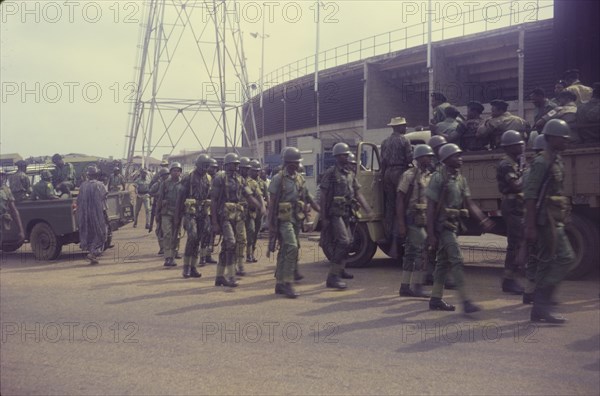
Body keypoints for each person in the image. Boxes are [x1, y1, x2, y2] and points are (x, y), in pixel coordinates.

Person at [425, 144, 495, 313]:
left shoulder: (460, 178)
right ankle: (465, 300)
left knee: (442, 262)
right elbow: (430, 207)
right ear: (446, 159)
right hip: (443, 227)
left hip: (454, 225)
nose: (460, 158)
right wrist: (431, 234)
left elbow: (469, 203)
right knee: (457, 259)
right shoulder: (438, 177)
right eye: (456, 155)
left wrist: (483, 219)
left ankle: (435, 299)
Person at [524, 119, 574, 323]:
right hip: (546, 220)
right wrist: (530, 226)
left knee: (546, 262)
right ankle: (542, 302)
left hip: (555, 217)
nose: (566, 142)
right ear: (552, 138)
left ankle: (538, 309)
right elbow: (530, 195)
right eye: (563, 138)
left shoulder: (556, 159)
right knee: (566, 258)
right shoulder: (541, 161)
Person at [319, 143, 373, 290]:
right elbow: (323, 195)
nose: (346, 157)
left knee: (348, 243)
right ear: (337, 157)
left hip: (347, 213)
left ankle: (340, 270)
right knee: (344, 241)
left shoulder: (350, 174)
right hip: (334, 214)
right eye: (344, 155)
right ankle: (332, 277)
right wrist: (323, 217)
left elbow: (358, 193)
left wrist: (367, 209)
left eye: (347, 155)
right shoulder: (331, 173)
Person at [268, 147, 319, 298]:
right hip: (283, 220)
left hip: (296, 218)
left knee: (285, 249)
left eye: (298, 163)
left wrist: (319, 210)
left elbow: (308, 197)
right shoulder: (278, 179)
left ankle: (280, 284)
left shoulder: (299, 178)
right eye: (295, 163)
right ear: (287, 163)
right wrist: (270, 224)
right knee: (291, 246)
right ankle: (288, 282)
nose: (297, 165)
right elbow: (272, 204)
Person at [211, 153, 261, 287]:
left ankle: (219, 277)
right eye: (234, 163)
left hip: (238, 216)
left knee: (228, 245)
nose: (237, 166)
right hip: (224, 216)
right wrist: (215, 222)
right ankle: (231, 276)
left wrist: (260, 207)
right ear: (227, 165)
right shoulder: (219, 178)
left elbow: (249, 195)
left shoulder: (240, 179)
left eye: (238, 164)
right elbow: (214, 201)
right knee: (232, 243)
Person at [396, 144, 435, 298]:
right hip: (412, 217)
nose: (430, 158)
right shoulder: (409, 175)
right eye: (427, 156)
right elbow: (399, 199)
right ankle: (417, 286)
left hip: (423, 218)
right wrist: (401, 223)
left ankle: (405, 286)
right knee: (421, 250)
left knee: (411, 253)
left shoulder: (429, 176)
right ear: (419, 158)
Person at [496, 130, 527, 295]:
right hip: (511, 203)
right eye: (518, 144)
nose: (522, 146)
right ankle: (508, 280)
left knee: (521, 240)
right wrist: (528, 174)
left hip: (517, 203)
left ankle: (515, 274)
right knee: (514, 243)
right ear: (509, 147)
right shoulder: (506, 164)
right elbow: (516, 185)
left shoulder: (515, 162)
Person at [179, 154, 213, 279]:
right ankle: (186, 267)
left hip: (203, 212)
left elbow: (210, 196)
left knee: (199, 239)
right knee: (192, 237)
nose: (205, 168)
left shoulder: (208, 178)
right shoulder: (189, 177)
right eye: (204, 165)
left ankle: (193, 267)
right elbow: (180, 198)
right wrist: (179, 217)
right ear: (197, 165)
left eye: (207, 166)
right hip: (190, 212)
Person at [380, 117, 413, 242]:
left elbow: (382, 161)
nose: (405, 128)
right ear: (398, 127)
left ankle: (388, 233)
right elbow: (409, 158)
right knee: (402, 203)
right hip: (400, 172)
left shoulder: (384, 142)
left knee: (390, 205)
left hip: (387, 173)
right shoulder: (405, 140)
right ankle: (402, 232)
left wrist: (383, 177)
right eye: (404, 126)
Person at [76, 166, 109, 264]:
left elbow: (78, 201)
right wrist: (105, 214)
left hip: (85, 215)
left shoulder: (82, 186)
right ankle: (93, 253)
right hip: (97, 214)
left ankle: (92, 255)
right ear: (96, 175)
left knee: (89, 234)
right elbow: (104, 200)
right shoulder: (100, 185)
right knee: (101, 234)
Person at [156, 163, 184, 267]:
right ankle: (168, 257)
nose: (176, 172)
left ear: (180, 172)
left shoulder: (183, 183)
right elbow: (160, 198)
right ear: (170, 172)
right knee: (167, 234)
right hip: (166, 212)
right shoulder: (165, 183)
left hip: (178, 213)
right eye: (174, 170)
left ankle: (174, 252)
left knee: (176, 234)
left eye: (178, 170)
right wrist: (157, 213)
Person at [0, 170, 25, 248]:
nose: (1, 178)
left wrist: (21, 230)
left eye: (2, 175)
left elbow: (14, 210)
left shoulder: (6, 190)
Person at [201, 158, 219, 265]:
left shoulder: (218, 179)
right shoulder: (204, 179)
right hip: (204, 211)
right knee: (205, 233)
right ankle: (202, 256)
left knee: (212, 234)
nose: (213, 169)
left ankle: (208, 254)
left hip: (214, 211)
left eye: (215, 167)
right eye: (212, 167)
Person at [148, 167, 170, 255]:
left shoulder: (171, 184)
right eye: (163, 175)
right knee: (159, 229)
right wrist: (157, 195)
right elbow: (150, 192)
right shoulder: (157, 184)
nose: (165, 177)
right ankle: (162, 247)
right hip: (159, 208)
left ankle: (170, 249)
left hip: (169, 209)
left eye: (166, 175)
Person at [246, 159, 264, 263]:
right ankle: (247, 254)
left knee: (255, 232)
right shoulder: (245, 182)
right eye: (254, 170)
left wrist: (264, 208)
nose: (256, 173)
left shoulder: (262, 183)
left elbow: (265, 196)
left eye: (258, 171)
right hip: (247, 211)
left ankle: (251, 252)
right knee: (250, 231)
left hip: (258, 212)